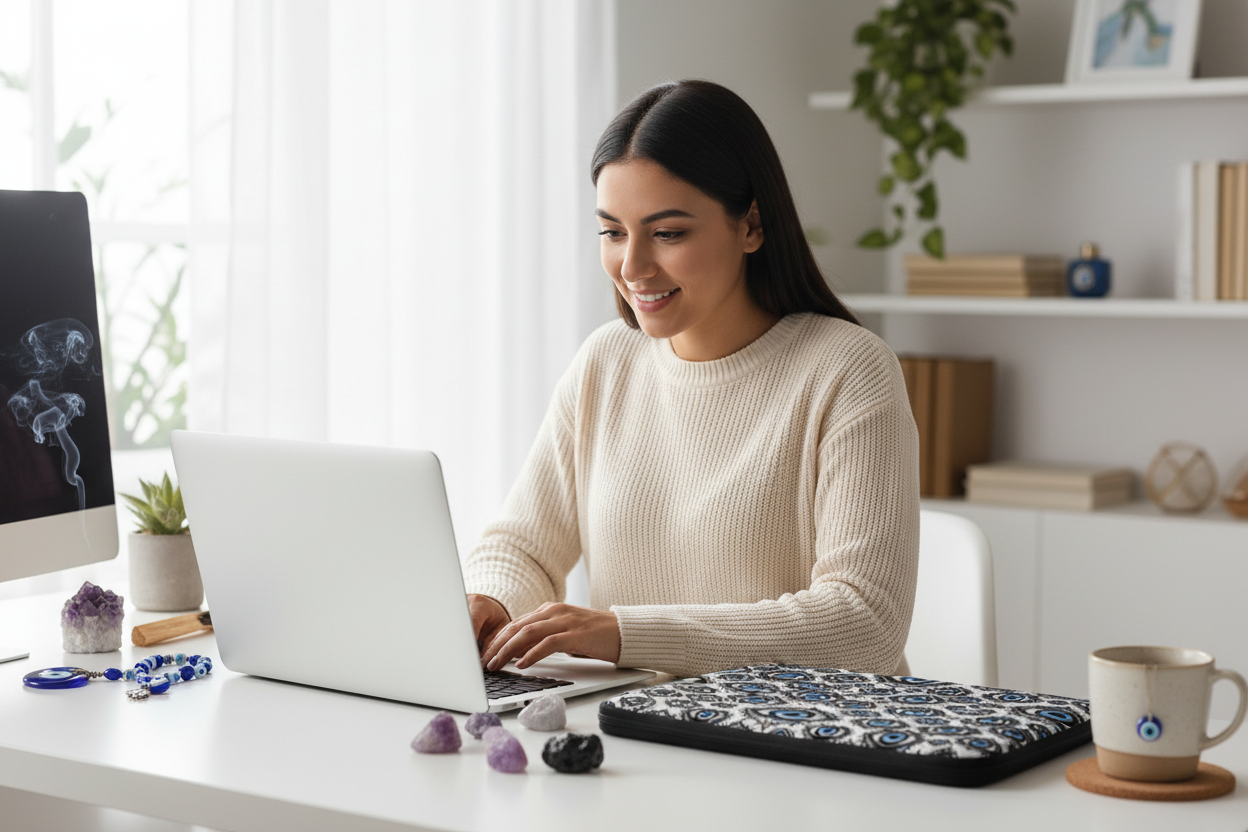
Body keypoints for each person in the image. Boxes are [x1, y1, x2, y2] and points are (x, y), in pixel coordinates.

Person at [466, 79, 919, 680]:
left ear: (751, 225)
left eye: (668, 233)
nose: (632, 267)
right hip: (642, 732)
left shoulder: (848, 370)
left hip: (805, 744)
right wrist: (491, 602)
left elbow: (866, 622)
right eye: (612, 231)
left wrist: (627, 634)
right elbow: (521, 545)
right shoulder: (608, 361)